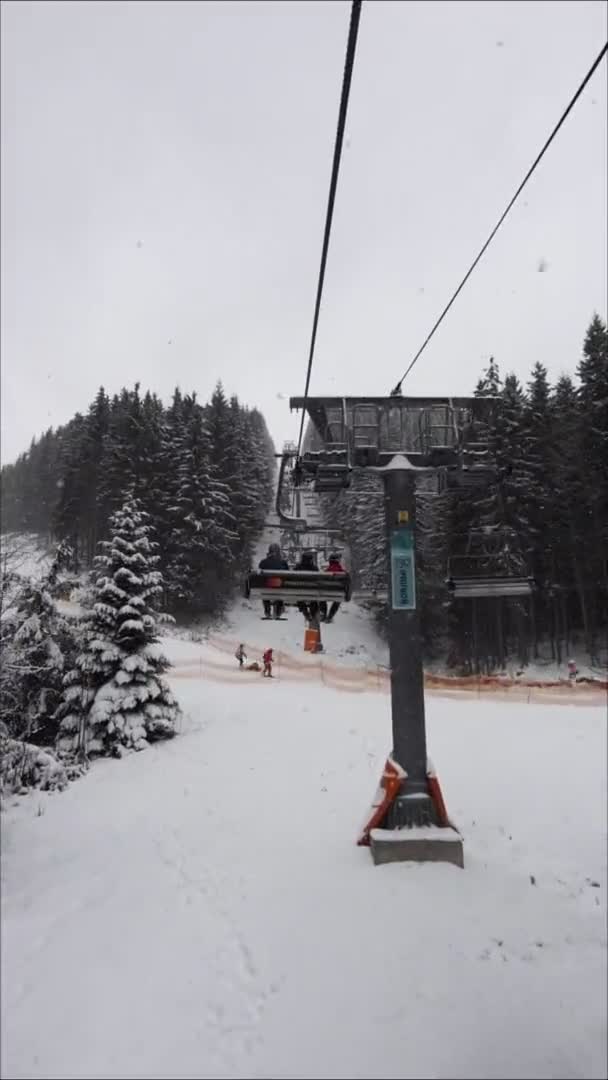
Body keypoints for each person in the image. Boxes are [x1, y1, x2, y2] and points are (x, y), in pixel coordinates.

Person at [258, 543, 289, 619]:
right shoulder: (283, 562)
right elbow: (288, 574)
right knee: (280, 587)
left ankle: (267, 611)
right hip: (279, 585)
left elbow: (259, 572)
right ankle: (278, 612)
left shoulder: (263, 562)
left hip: (267, 585)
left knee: (265, 588)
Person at [319, 552, 347, 623]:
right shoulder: (342, 572)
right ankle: (330, 616)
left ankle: (323, 614)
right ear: (338, 561)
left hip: (325, 593)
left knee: (321, 598)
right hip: (337, 594)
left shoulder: (326, 572)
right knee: (338, 600)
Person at [295, 549, 319, 624]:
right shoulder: (315, 568)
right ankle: (312, 613)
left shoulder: (298, 567)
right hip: (312, 591)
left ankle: (305, 611)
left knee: (299, 597)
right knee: (313, 600)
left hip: (300, 590)